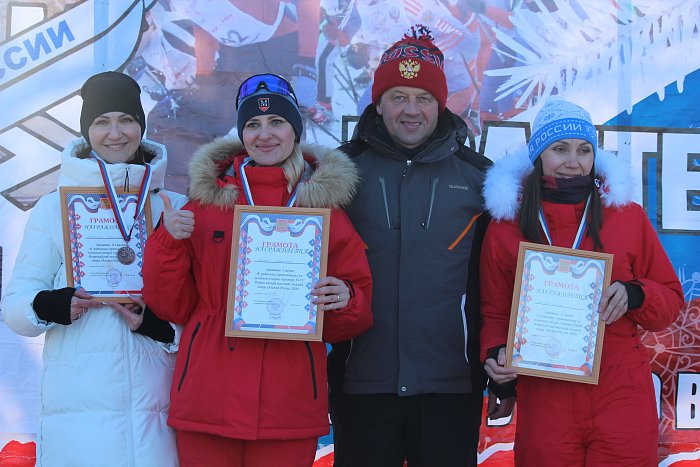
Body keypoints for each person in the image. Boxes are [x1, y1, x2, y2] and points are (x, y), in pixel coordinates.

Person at [140, 73, 373, 467]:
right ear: (241, 132)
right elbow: (171, 306)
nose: (264, 135)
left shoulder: (323, 211)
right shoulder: (206, 204)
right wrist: (168, 241)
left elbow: (349, 321)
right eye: (253, 124)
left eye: (276, 122)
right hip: (208, 399)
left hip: (288, 406)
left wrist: (345, 299)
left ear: (295, 130)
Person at [479, 97, 683, 465]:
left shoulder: (626, 215)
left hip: (620, 388)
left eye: (584, 150)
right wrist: (496, 355)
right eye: (560, 149)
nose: (573, 161)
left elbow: (670, 300)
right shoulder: (506, 226)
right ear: (539, 154)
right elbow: (494, 312)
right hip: (546, 394)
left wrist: (635, 294)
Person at [1, 71, 182, 466]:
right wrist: (51, 305)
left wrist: (158, 327)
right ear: (86, 130)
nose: (115, 133)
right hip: (78, 418)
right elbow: (15, 306)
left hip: (157, 411)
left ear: (141, 126)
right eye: (102, 122)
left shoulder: (173, 207)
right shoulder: (53, 208)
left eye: (126, 120)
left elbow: (202, 316)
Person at [331, 25, 492, 467]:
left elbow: (498, 286)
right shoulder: (339, 173)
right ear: (378, 104)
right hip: (362, 383)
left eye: (424, 98)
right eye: (398, 96)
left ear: (441, 105)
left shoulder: (481, 179)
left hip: (449, 385)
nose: (411, 110)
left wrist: (500, 370)